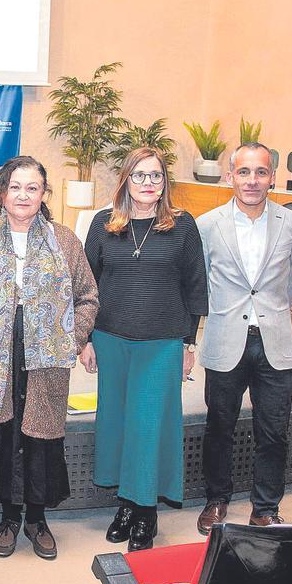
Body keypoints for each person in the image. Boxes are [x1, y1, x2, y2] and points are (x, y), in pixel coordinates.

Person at [0, 155, 98, 560]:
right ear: (2, 192)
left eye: (32, 187)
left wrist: (73, 337)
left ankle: (37, 519)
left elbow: (87, 295)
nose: (23, 194)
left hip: (45, 360)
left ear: (43, 194)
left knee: (38, 437)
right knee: (4, 435)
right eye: (15, 187)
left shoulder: (65, 240)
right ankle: (8, 517)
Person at [82, 146, 207, 551]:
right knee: (118, 424)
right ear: (125, 180)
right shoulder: (103, 224)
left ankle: (146, 512)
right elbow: (86, 287)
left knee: (149, 427)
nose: (148, 183)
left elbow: (195, 286)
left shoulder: (182, 226)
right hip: (111, 339)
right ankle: (125, 504)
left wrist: (189, 341)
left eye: (156, 176)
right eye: (140, 175)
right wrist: (85, 339)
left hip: (161, 342)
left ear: (165, 182)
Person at [195, 142, 292, 534]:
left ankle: (265, 507)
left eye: (261, 172)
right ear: (230, 176)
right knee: (219, 427)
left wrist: (272, 311)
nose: (252, 180)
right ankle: (216, 500)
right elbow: (200, 284)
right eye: (244, 172)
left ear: (272, 177)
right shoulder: (207, 225)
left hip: (274, 340)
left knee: (274, 431)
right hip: (226, 339)